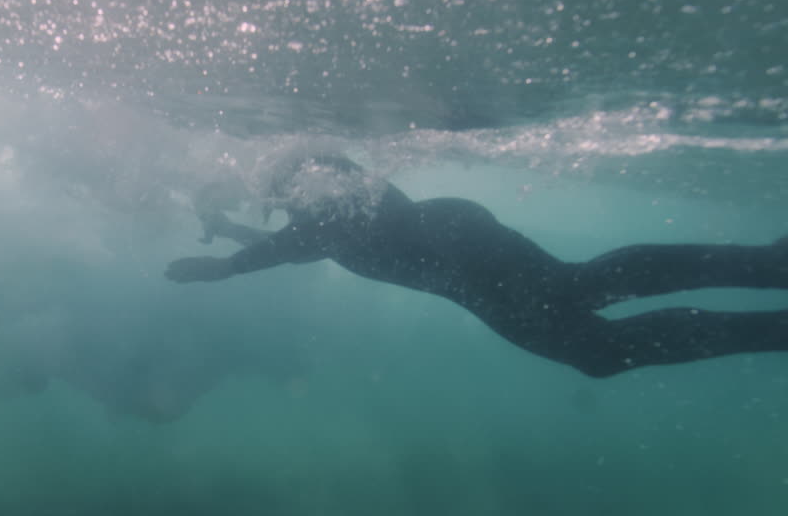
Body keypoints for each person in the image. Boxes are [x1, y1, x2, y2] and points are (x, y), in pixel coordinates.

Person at [166, 152, 788, 378]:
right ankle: (768, 272)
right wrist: (231, 237)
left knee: (583, 307)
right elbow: (306, 243)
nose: (277, 210)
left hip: (460, 254)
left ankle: (771, 284)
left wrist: (225, 269)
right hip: (457, 244)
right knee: (584, 306)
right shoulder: (328, 220)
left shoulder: (327, 207)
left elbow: (303, 240)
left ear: (291, 188)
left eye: (274, 201)